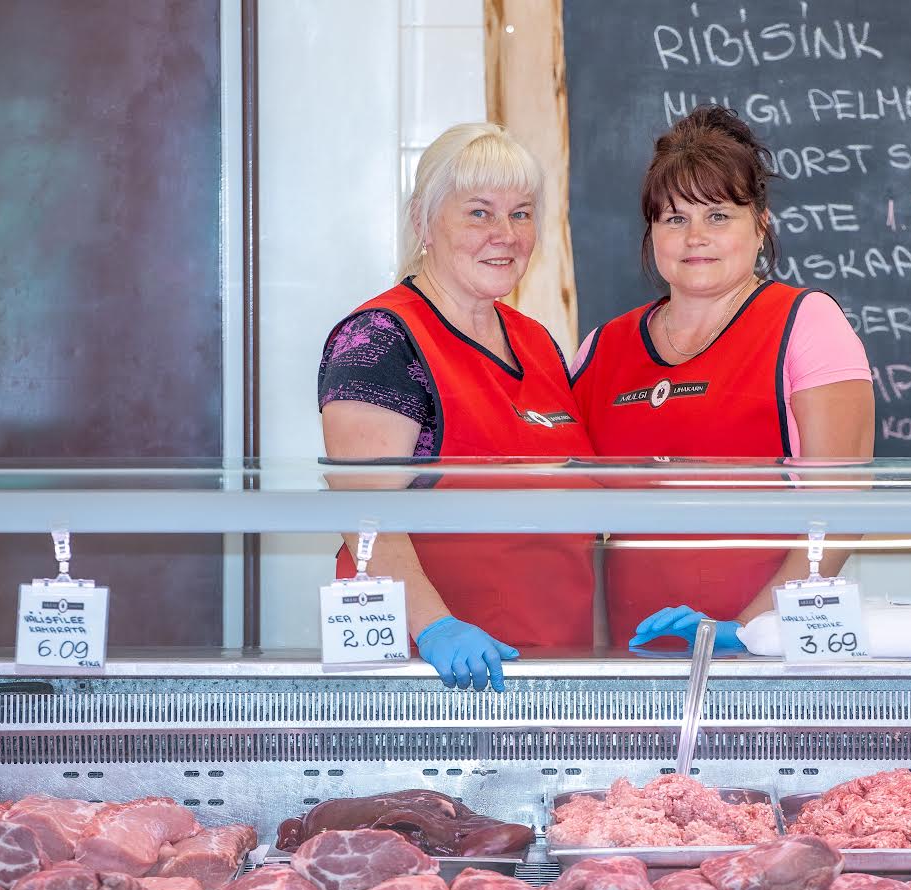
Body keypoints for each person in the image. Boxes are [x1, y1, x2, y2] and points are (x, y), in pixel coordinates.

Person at [571, 105, 875, 652]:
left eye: (718, 216)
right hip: (634, 665)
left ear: (759, 225)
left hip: (769, 653)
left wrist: (744, 635)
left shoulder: (806, 324)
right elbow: (578, 530)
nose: (695, 238)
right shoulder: (600, 350)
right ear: (652, 233)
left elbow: (843, 515)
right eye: (674, 218)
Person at [319, 123, 594, 691]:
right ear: (422, 220)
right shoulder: (380, 338)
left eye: (521, 213)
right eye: (479, 212)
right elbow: (364, 518)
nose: (506, 234)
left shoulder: (538, 343)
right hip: (432, 674)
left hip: (554, 668)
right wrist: (436, 626)